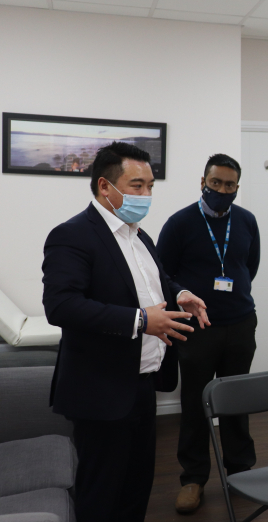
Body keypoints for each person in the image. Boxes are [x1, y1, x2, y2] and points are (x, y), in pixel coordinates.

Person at [42, 141, 210, 522]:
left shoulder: (138, 234)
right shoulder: (73, 235)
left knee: (137, 486)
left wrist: (179, 294)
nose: (146, 195)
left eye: (150, 186)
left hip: (142, 383)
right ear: (105, 186)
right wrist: (140, 320)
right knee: (102, 492)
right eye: (137, 186)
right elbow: (61, 305)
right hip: (101, 388)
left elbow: (157, 280)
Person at [157, 153, 261, 514]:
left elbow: (250, 266)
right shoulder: (180, 223)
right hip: (195, 329)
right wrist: (184, 294)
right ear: (202, 182)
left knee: (236, 400)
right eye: (215, 183)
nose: (221, 190)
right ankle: (193, 479)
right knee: (195, 403)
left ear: (237, 187)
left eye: (229, 185)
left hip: (240, 323)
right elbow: (162, 274)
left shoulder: (246, 221)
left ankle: (240, 472)